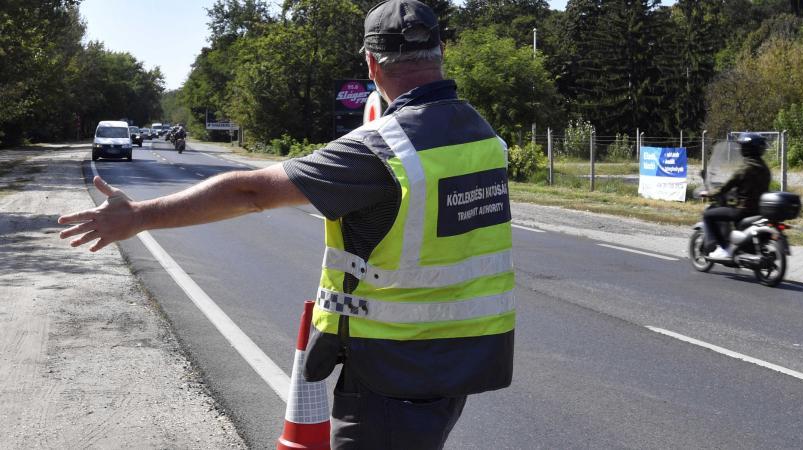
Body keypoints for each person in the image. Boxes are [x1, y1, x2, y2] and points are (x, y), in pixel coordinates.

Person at [58, 1, 515, 448]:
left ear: (371, 64)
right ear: (442, 51)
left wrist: (139, 215)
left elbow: (250, 192)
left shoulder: (383, 150)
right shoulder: (481, 134)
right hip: (462, 359)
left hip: (394, 370)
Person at [700, 132, 772, 259]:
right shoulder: (764, 168)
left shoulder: (745, 168)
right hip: (759, 210)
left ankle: (723, 248)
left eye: (743, 146)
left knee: (708, 215)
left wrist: (709, 194)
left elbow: (726, 186)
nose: (741, 149)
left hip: (743, 210)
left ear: (747, 148)